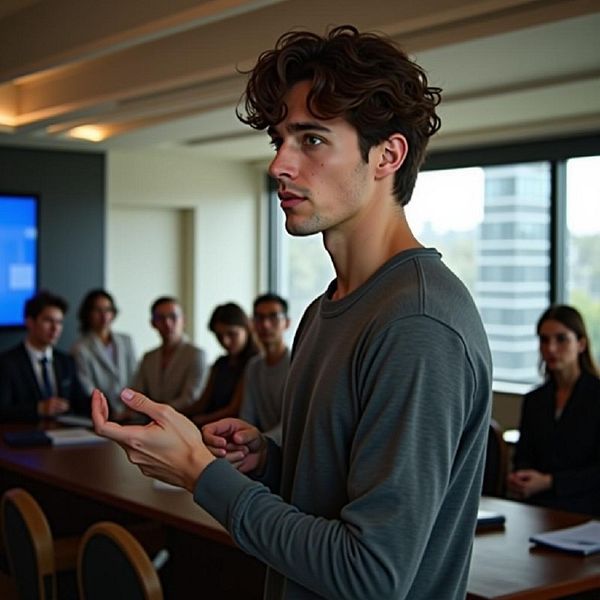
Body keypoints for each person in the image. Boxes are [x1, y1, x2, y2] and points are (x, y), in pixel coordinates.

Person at [92, 25, 492, 599]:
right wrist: (268, 463)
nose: (280, 164)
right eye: (280, 140)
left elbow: (370, 576)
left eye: (311, 140)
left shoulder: (417, 324)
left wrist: (203, 477)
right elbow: (336, 497)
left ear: (388, 155)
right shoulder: (324, 309)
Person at [507, 305, 600, 516]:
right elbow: (524, 454)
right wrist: (520, 477)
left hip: (586, 511)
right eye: (544, 340)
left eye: (561, 339)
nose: (551, 348)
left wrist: (550, 482)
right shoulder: (535, 399)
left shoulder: (596, 396)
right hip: (536, 508)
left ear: (581, 344)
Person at [0, 290, 88, 421]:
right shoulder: (7, 362)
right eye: (48, 321)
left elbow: (79, 401)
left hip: (64, 435)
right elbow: (2, 410)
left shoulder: (66, 361)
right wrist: (38, 408)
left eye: (59, 322)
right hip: (24, 435)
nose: (55, 328)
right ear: (30, 322)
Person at [182, 302, 260, 428]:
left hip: (234, 429)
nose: (225, 341)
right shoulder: (221, 362)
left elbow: (234, 409)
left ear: (247, 328)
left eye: (232, 334)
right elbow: (202, 402)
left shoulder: (255, 363)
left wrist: (200, 421)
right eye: (219, 336)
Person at [133, 297, 207, 411]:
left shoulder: (196, 354)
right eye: (160, 318)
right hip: (148, 420)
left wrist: (156, 411)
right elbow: (138, 392)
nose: (167, 323)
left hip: (183, 421)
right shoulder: (149, 357)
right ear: (153, 323)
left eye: (173, 317)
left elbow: (190, 398)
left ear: (183, 320)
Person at [71, 289, 137, 418]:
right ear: (88, 314)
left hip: (131, 409)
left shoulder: (126, 341)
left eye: (107, 310)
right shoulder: (79, 348)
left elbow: (135, 375)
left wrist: (133, 406)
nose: (104, 315)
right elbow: (87, 387)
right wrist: (111, 411)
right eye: (97, 310)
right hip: (103, 412)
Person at [239, 293, 290, 444]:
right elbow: (247, 416)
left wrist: (260, 442)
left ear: (286, 323)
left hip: (287, 449)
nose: (266, 325)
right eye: (259, 318)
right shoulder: (253, 367)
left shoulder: (297, 364)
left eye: (273, 317)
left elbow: (291, 424)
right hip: (258, 446)